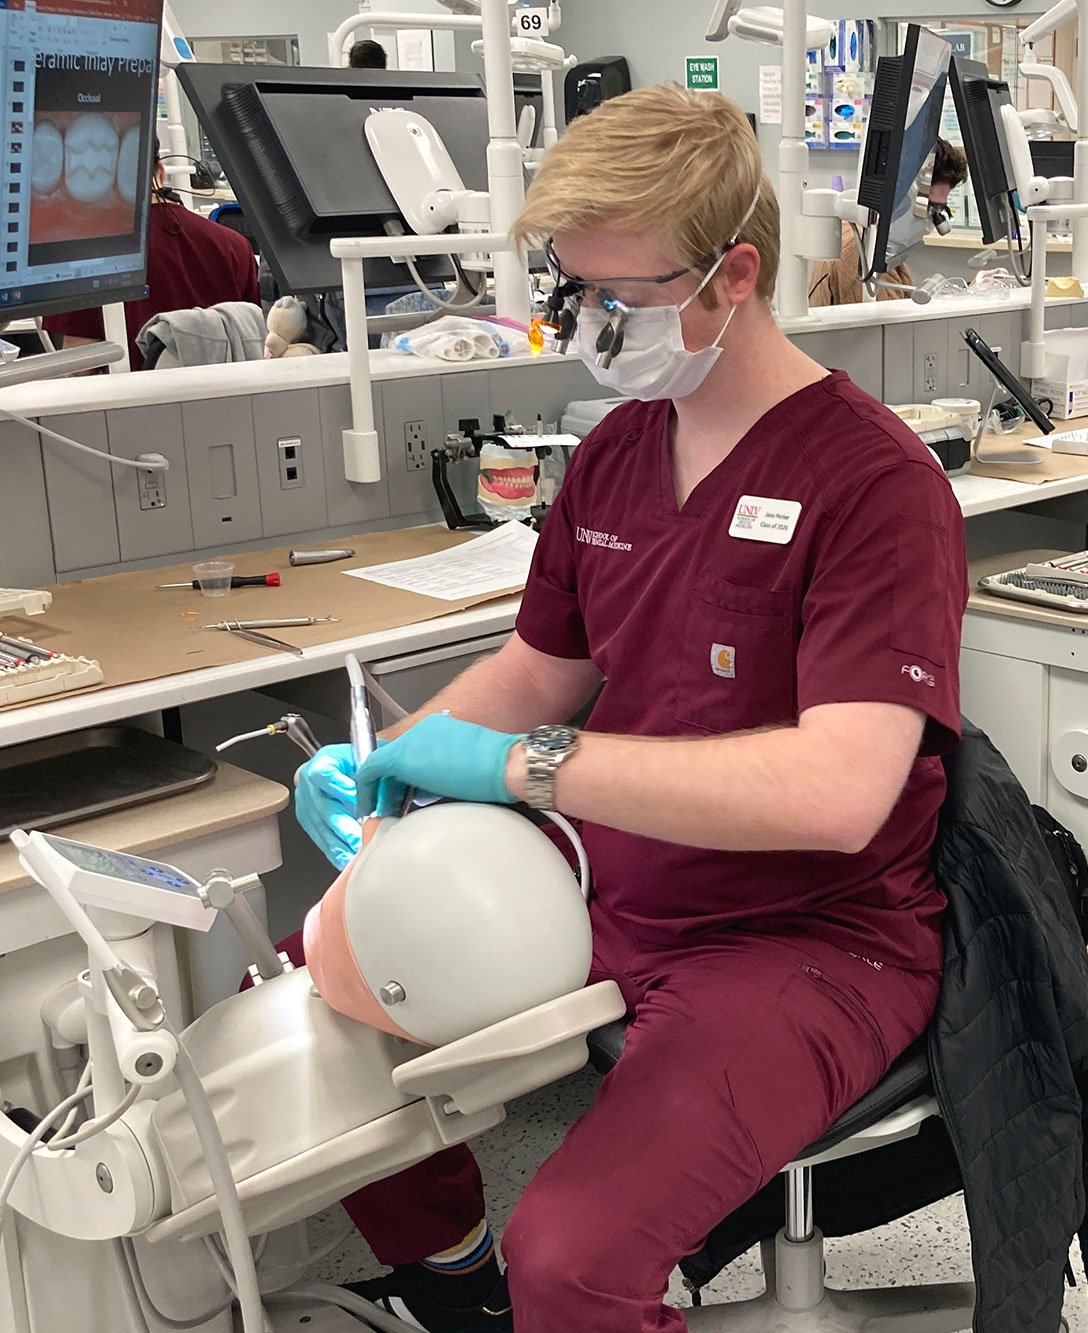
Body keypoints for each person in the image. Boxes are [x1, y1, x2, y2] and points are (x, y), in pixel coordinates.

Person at [286, 85, 966, 1333]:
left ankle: (535, 1293)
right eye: (569, 292)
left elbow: (835, 791)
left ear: (733, 275)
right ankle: (453, 1281)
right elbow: (541, 669)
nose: (588, 326)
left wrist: (521, 767)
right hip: (607, 883)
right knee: (307, 1003)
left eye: (618, 299)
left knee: (579, 1259)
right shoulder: (613, 452)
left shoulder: (874, 483)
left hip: (805, 937)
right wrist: (399, 760)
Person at [43, 163, 259, 371]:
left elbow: (81, 364)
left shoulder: (85, 253)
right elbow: (256, 334)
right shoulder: (235, 245)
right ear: (161, 173)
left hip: (132, 402)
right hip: (227, 398)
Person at [809, 138, 967, 306]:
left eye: (938, 212)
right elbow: (885, 328)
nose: (932, 222)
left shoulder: (879, 245)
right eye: (930, 208)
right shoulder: (859, 253)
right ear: (902, 196)